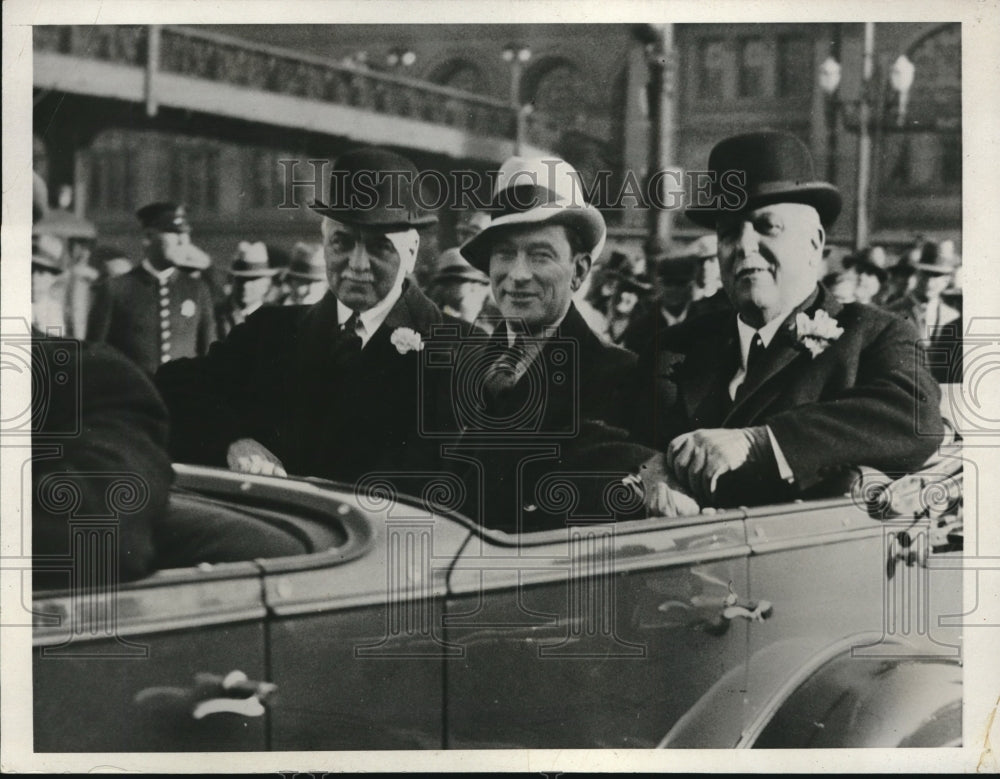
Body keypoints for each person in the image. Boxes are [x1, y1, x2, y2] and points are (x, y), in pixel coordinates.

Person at [633, 131, 944, 509]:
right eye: (730, 232)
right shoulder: (676, 347)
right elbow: (608, 432)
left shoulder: (873, 335)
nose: (745, 246)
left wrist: (761, 441)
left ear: (814, 243)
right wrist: (646, 468)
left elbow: (916, 418)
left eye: (767, 227)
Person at [155, 147, 454, 485]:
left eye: (379, 247)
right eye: (342, 242)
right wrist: (233, 442)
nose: (357, 264)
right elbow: (174, 387)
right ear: (324, 243)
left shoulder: (460, 352)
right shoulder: (270, 333)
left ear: (411, 253)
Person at [446, 154, 659, 532]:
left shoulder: (620, 378)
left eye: (540, 255)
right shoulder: (464, 364)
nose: (518, 275)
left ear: (578, 271)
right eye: (505, 254)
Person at [86, 202, 217, 374]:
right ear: (148, 237)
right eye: (174, 232)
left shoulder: (198, 290)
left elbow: (209, 357)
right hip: (134, 397)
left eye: (185, 234)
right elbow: (95, 357)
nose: (183, 241)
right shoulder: (116, 289)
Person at [887, 240, 962, 384]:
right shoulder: (892, 313)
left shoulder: (952, 316)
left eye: (936, 275)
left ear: (947, 280)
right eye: (926, 274)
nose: (929, 282)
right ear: (917, 274)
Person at [215, 241, 280, 337]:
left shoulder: (277, 317)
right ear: (231, 280)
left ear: (266, 283)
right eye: (240, 279)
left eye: (253, 279)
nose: (246, 285)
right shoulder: (215, 314)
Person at [425, 247, 493, 326]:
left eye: (482, 283)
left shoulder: (490, 320)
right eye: (471, 281)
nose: (476, 289)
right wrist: (467, 320)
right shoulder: (433, 319)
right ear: (446, 285)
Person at [31, 234, 69, 333]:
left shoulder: (53, 309)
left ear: (52, 278)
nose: (34, 278)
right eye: (31, 271)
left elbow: (57, 344)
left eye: (42, 273)